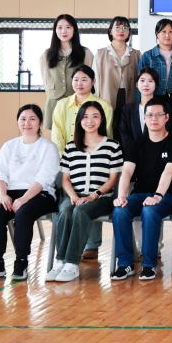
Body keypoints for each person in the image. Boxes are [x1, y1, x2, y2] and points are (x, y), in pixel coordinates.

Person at [45, 101, 122, 282]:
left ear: (102, 120)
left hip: (102, 197)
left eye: (95, 116)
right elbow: (65, 179)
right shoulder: (71, 147)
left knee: (80, 211)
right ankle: (60, 261)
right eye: (85, 117)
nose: (90, 121)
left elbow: (113, 179)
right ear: (79, 120)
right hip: (75, 195)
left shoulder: (113, 146)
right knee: (65, 210)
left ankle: (72, 264)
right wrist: (73, 196)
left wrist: (94, 195)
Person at [0, 104, 61, 281]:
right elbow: (0, 173)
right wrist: (2, 195)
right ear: (17, 121)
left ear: (40, 122)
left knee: (23, 214)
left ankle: (21, 261)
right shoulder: (9, 146)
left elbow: (44, 178)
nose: (27, 123)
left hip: (41, 194)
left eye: (32, 119)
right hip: (11, 192)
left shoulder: (48, 147)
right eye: (23, 119)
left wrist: (24, 199)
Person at [110, 96, 172, 281]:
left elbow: (169, 172)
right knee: (120, 210)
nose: (154, 119)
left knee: (149, 211)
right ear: (144, 118)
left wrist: (158, 195)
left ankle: (149, 265)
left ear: (166, 117)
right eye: (150, 115)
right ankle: (125, 264)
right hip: (140, 194)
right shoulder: (136, 143)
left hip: (167, 195)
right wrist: (121, 196)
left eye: (158, 115)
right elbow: (127, 171)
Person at [40, 14, 94, 130]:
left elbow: (91, 78)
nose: (63, 31)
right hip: (54, 102)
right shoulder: (47, 54)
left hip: (78, 101)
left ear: (74, 30)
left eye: (68, 27)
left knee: (77, 134)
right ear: (55, 30)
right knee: (57, 136)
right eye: (59, 27)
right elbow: (45, 79)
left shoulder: (85, 53)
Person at [49, 65, 113, 151]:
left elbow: (106, 134)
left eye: (84, 80)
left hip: (96, 154)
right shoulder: (61, 104)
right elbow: (57, 134)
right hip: (67, 155)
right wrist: (62, 155)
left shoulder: (104, 106)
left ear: (93, 81)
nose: (79, 83)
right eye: (76, 80)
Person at [93, 15, 140, 117]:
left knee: (127, 123)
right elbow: (96, 79)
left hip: (129, 97)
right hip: (107, 96)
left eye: (125, 28)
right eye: (117, 28)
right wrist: (97, 100)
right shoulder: (100, 54)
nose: (121, 31)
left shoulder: (136, 54)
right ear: (110, 31)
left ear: (129, 32)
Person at [138, 18, 172, 107]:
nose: (167, 35)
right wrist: (140, 104)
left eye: (171, 32)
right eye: (163, 32)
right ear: (157, 34)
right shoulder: (147, 56)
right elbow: (140, 82)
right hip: (153, 99)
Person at [117, 67, 159, 155]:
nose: (146, 84)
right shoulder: (127, 110)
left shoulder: (164, 108)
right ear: (136, 84)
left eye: (150, 81)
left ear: (156, 85)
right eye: (142, 80)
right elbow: (124, 135)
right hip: (133, 156)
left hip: (157, 154)